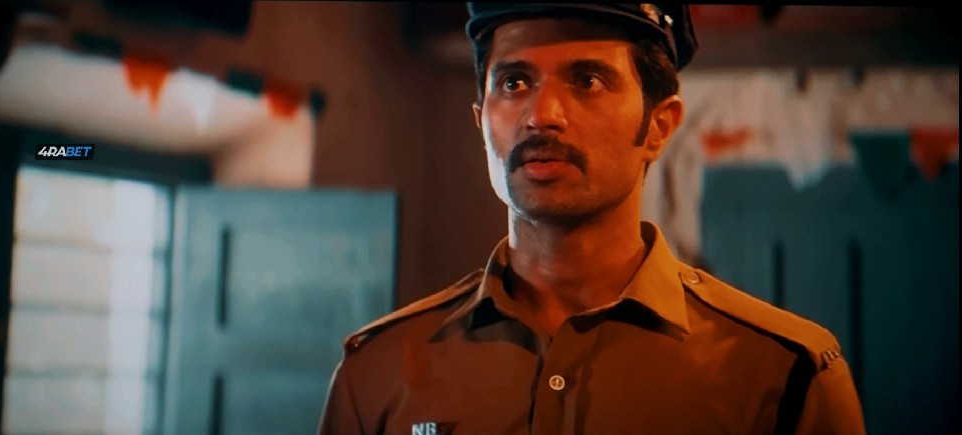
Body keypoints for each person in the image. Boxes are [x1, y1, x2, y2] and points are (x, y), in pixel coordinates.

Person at [319, 4, 866, 434]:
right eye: (514, 82)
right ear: (481, 121)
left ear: (658, 126)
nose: (541, 115)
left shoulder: (782, 375)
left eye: (587, 81)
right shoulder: (379, 372)